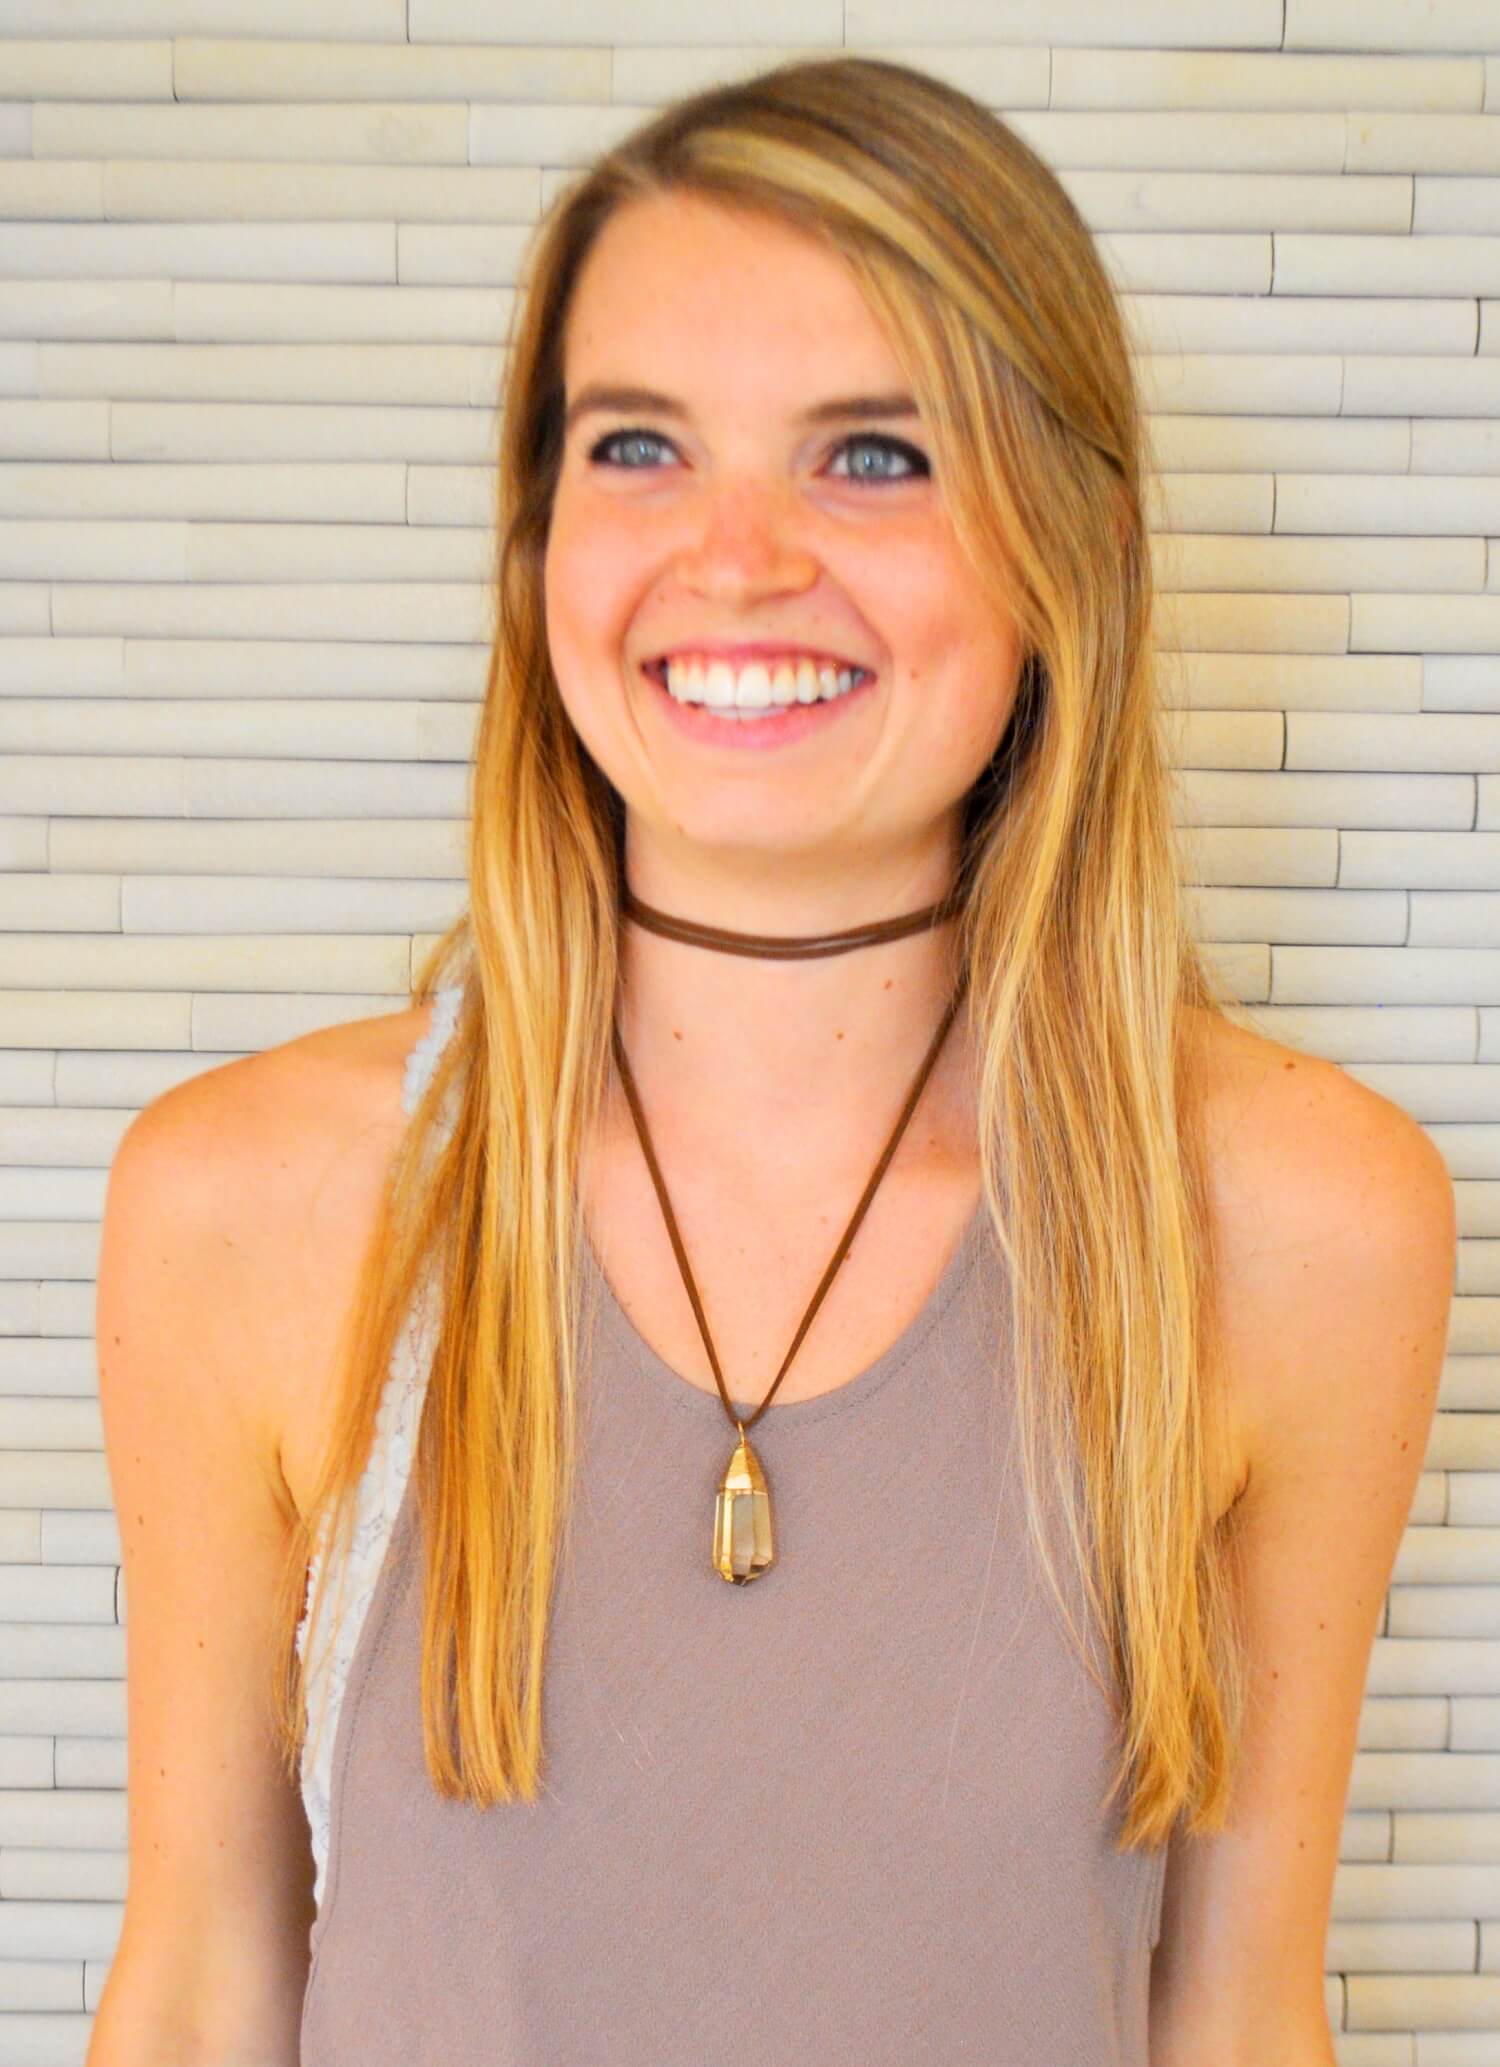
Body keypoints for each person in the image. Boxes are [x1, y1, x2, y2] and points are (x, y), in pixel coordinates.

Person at [86, 54, 1455, 2067]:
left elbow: (1238, 2017)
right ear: (536, 538)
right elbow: (204, 1988)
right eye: (638, 446)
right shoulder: (249, 1203)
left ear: (1069, 545)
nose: (734, 559)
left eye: (873, 456)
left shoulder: (1302, 1219)